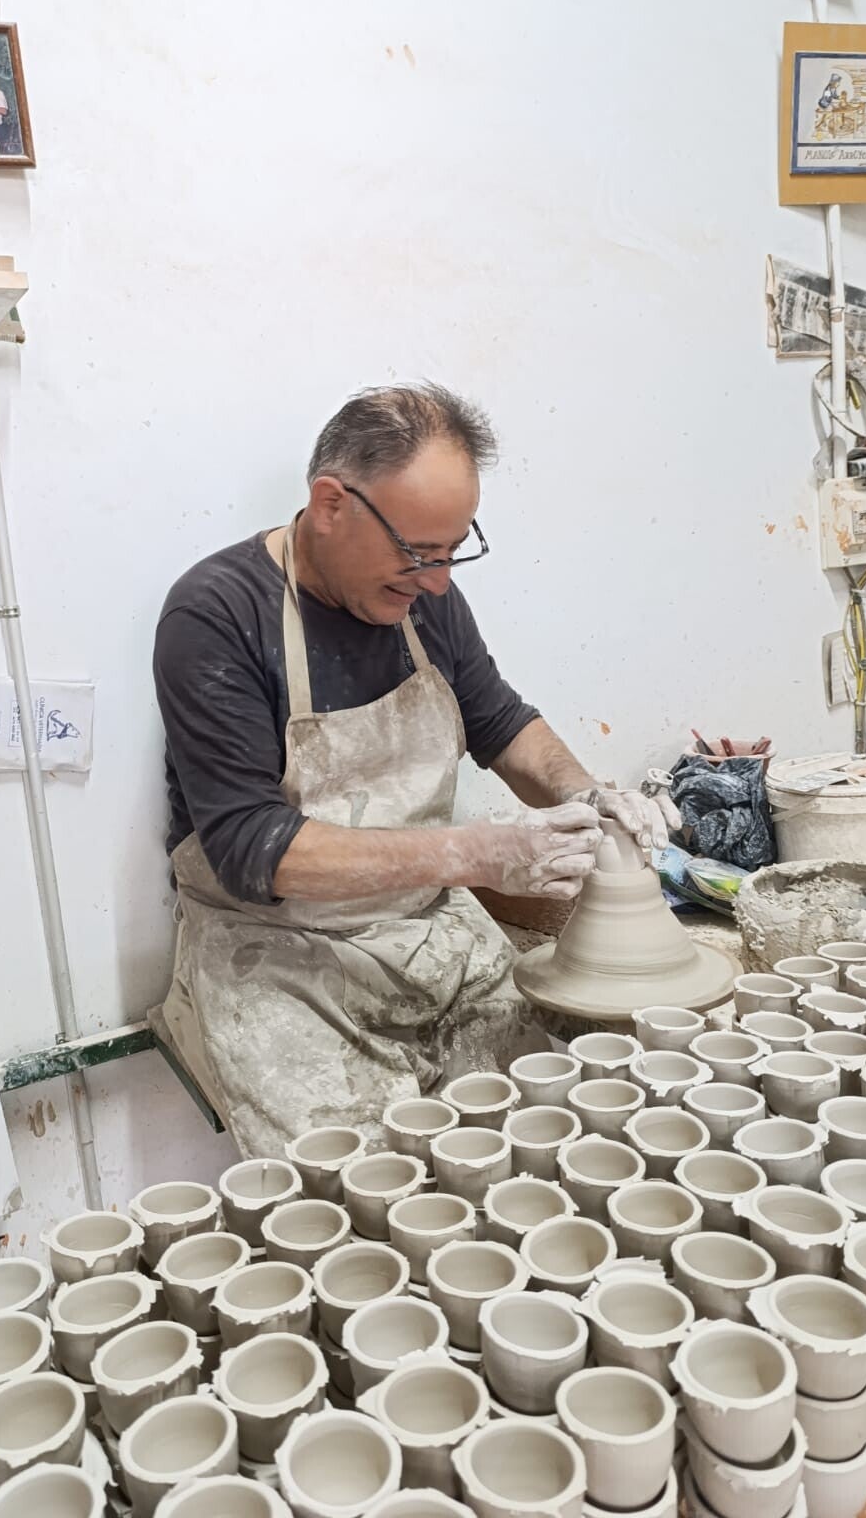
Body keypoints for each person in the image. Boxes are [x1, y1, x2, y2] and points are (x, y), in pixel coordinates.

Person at [152, 384, 678, 1156]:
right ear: (331, 505)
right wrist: (476, 854)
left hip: (431, 928)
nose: (437, 580)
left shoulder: (422, 600)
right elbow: (251, 847)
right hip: (281, 954)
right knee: (360, 1200)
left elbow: (500, 723)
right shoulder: (216, 616)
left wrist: (586, 792)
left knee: (543, 1142)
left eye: (453, 551)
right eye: (418, 553)